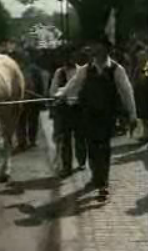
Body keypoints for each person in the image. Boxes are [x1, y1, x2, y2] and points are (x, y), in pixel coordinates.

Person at [56, 37, 137, 202]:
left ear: (106, 50)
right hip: (88, 115)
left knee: (104, 149)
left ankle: (103, 184)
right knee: (92, 148)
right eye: (94, 49)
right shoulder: (86, 70)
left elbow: (127, 92)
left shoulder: (116, 69)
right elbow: (73, 85)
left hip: (107, 117)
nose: (95, 52)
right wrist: (59, 95)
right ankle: (95, 176)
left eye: (98, 49)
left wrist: (132, 114)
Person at [50, 47, 87, 178]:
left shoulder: (81, 71)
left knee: (80, 137)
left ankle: (82, 161)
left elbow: (85, 89)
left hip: (79, 109)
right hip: (65, 110)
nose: (68, 60)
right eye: (66, 58)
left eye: (70, 57)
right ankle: (67, 166)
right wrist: (58, 96)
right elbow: (53, 90)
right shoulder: (59, 73)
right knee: (65, 139)